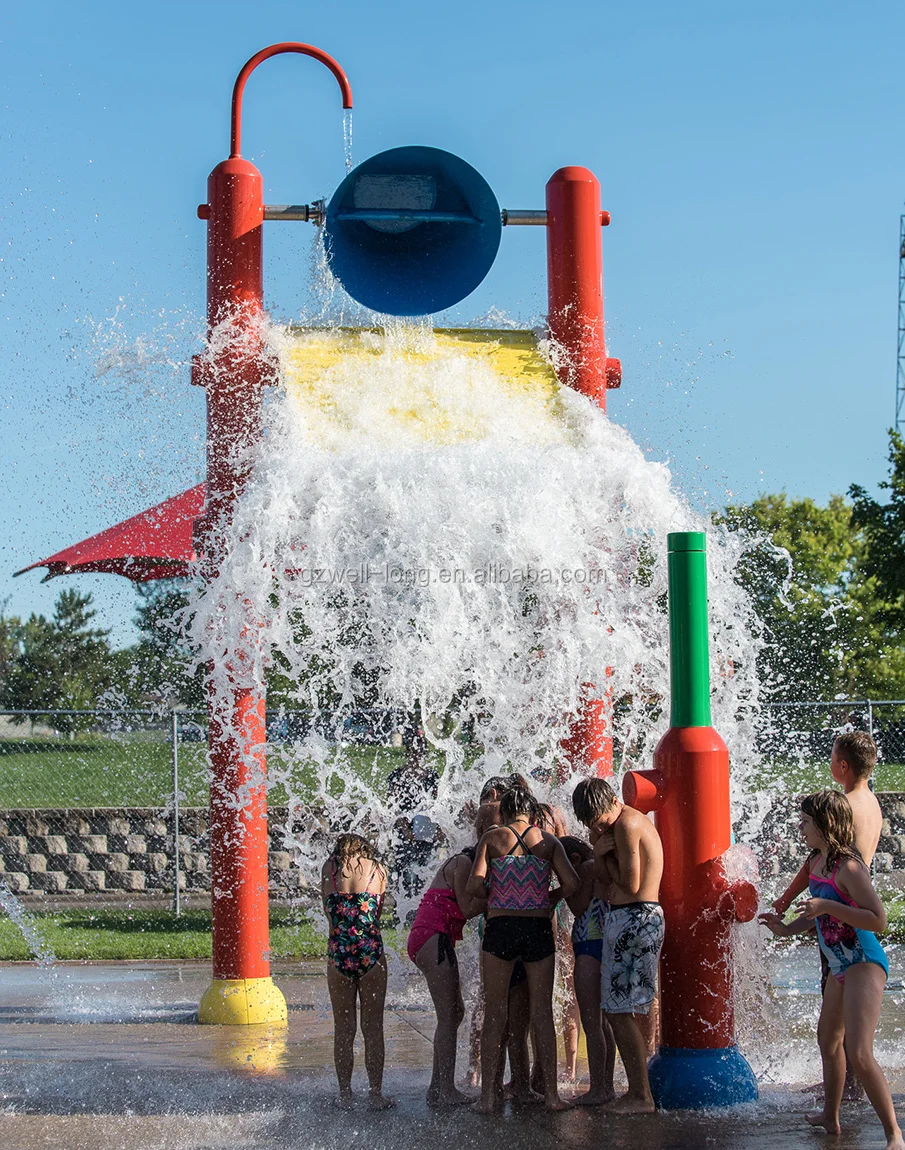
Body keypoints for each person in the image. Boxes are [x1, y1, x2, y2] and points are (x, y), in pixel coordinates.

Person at [759, 791, 903, 1150]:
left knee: (859, 1052)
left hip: (864, 963)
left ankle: (894, 1134)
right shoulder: (815, 862)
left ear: (825, 824)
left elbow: (878, 920)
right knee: (828, 1040)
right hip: (840, 965)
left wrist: (825, 905)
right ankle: (830, 1116)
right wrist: (784, 929)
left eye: (806, 822)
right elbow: (815, 919)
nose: (800, 827)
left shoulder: (849, 868)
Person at [772, 731, 883, 1099]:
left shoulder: (843, 806)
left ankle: (845, 1081)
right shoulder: (872, 802)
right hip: (850, 901)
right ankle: (845, 1079)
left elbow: (818, 863)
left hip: (840, 904)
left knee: (835, 1002)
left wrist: (786, 898)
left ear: (844, 765)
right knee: (842, 1005)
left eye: (833, 756)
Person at [467, 782, 580, 1113]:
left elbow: (474, 885)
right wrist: (547, 899)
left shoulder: (492, 839)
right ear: (531, 813)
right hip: (537, 927)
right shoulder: (548, 841)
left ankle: (488, 1098)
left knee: (495, 1012)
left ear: (502, 812)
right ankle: (553, 1096)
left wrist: (499, 897)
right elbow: (571, 883)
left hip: (500, 928)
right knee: (542, 1013)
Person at [572, 777, 664, 1115]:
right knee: (622, 1009)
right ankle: (639, 1091)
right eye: (591, 824)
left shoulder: (626, 823)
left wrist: (601, 855)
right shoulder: (623, 822)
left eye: (599, 819)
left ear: (614, 800)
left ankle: (641, 1095)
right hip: (633, 918)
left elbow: (629, 881)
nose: (598, 828)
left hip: (635, 918)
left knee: (617, 1011)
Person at [407, 847, 487, 1108]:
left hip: (431, 937)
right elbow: (466, 908)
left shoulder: (458, 862)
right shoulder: (463, 862)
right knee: (448, 1015)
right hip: (433, 936)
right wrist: (500, 895)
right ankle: (446, 1090)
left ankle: (436, 1087)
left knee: (455, 1012)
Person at [321, 833, 394, 1110]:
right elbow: (377, 912)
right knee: (373, 1027)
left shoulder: (328, 869)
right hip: (370, 952)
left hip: (339, 953)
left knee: (344, 1028)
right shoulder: (378, 869)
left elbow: (329, 913)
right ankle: (376, 1094)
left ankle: (345, 1094)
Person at [561, 833, 616, 1106]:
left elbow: (578, 905)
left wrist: (565, 887)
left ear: (573, 859)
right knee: (605, 1024)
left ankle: (597, 1089)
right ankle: (606, 1087)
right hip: (605, 942)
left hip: (589, 947)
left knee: (592, 1023)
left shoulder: (584, 869)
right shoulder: (599, 866)